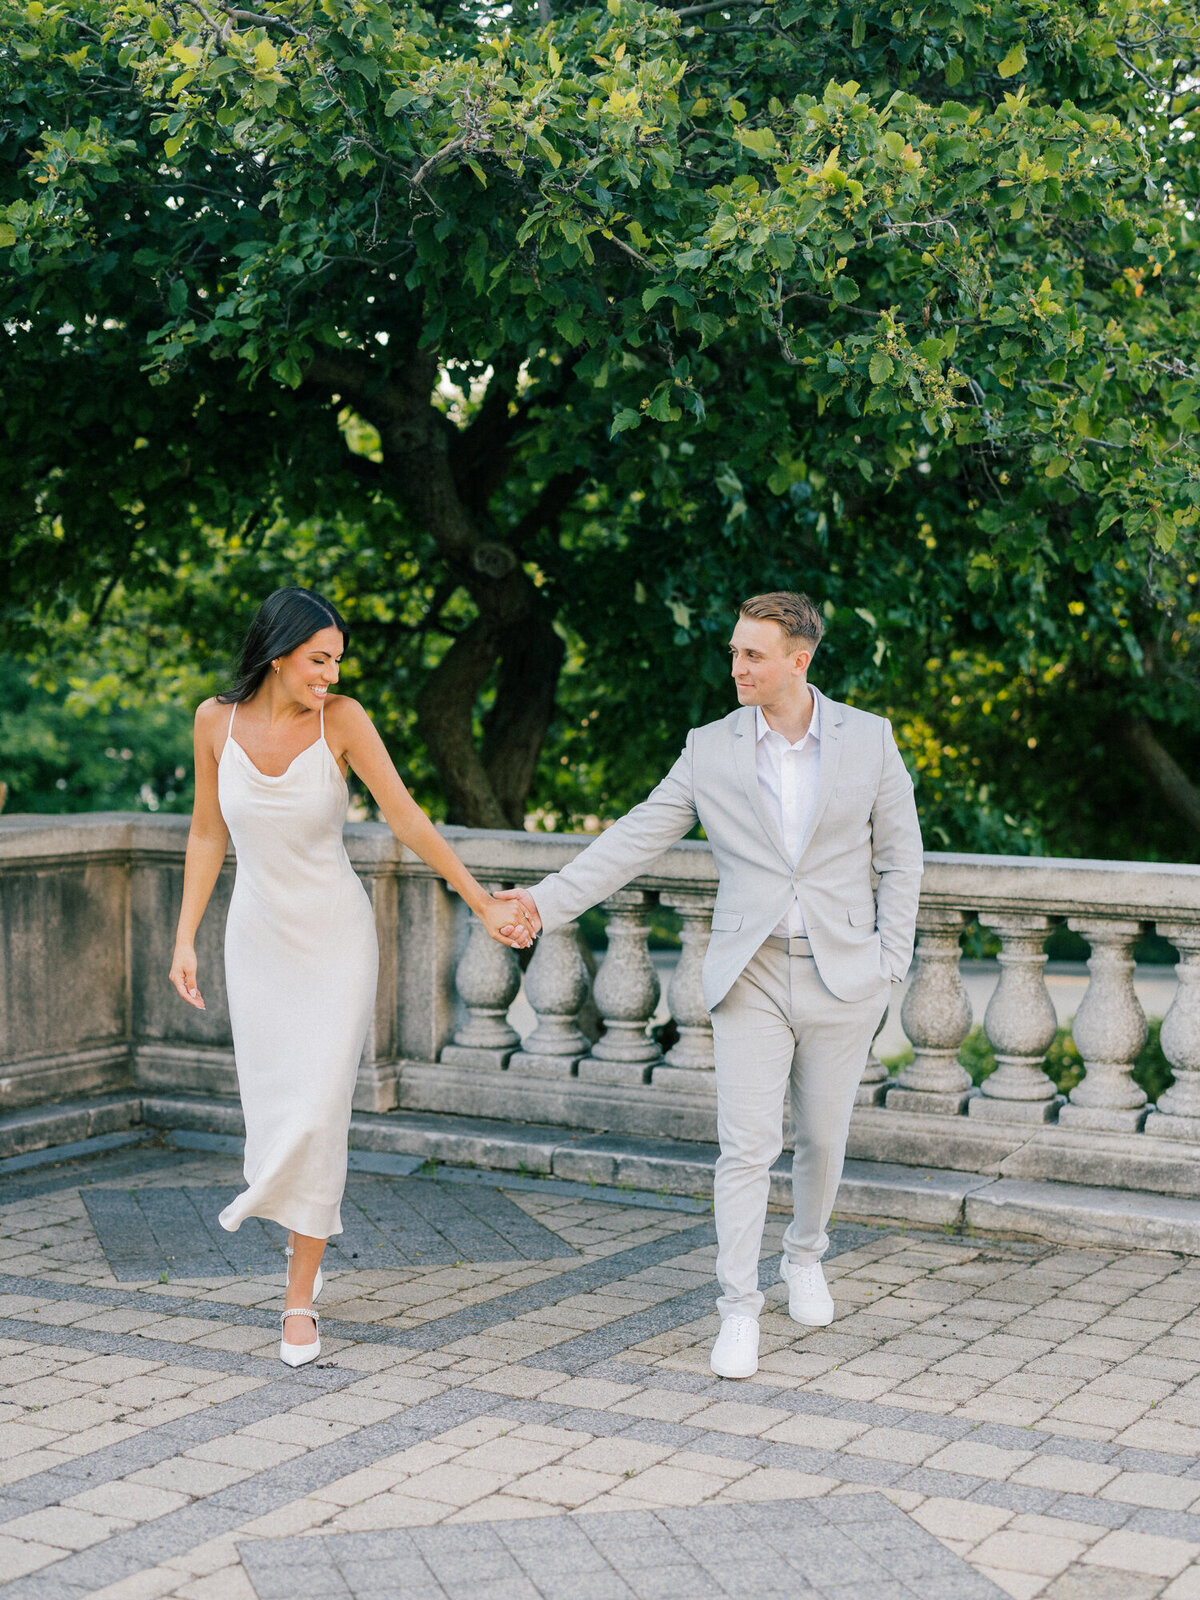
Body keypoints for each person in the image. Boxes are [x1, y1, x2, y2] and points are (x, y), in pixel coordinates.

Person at [497, 591, 922, 1379]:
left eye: (753, 654)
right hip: (748, 973)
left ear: (801, 659)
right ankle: (737, 1309)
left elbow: (902, 857)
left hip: (843, 976)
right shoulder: (710, 748)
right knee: (746, 1148)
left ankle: (805, 1255)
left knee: (824, 1140)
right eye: (733, 652)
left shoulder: (869, 740)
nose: (736, 667)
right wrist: (542, 904)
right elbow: (631, 840)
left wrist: (889, 960)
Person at [169, 587, 534, 1367]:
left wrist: (478, 901)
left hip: (335, 941)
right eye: (318, 660)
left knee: (318, 1112)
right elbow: (207, 829)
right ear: (278, 654)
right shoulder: (213, 721)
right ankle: (304, 1238)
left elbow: (405, 815)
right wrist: (185, 937)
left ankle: (298, 1301)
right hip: (258, 943)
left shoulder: (344, 722)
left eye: (337, 660)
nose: (330, 674)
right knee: (276, 1112)